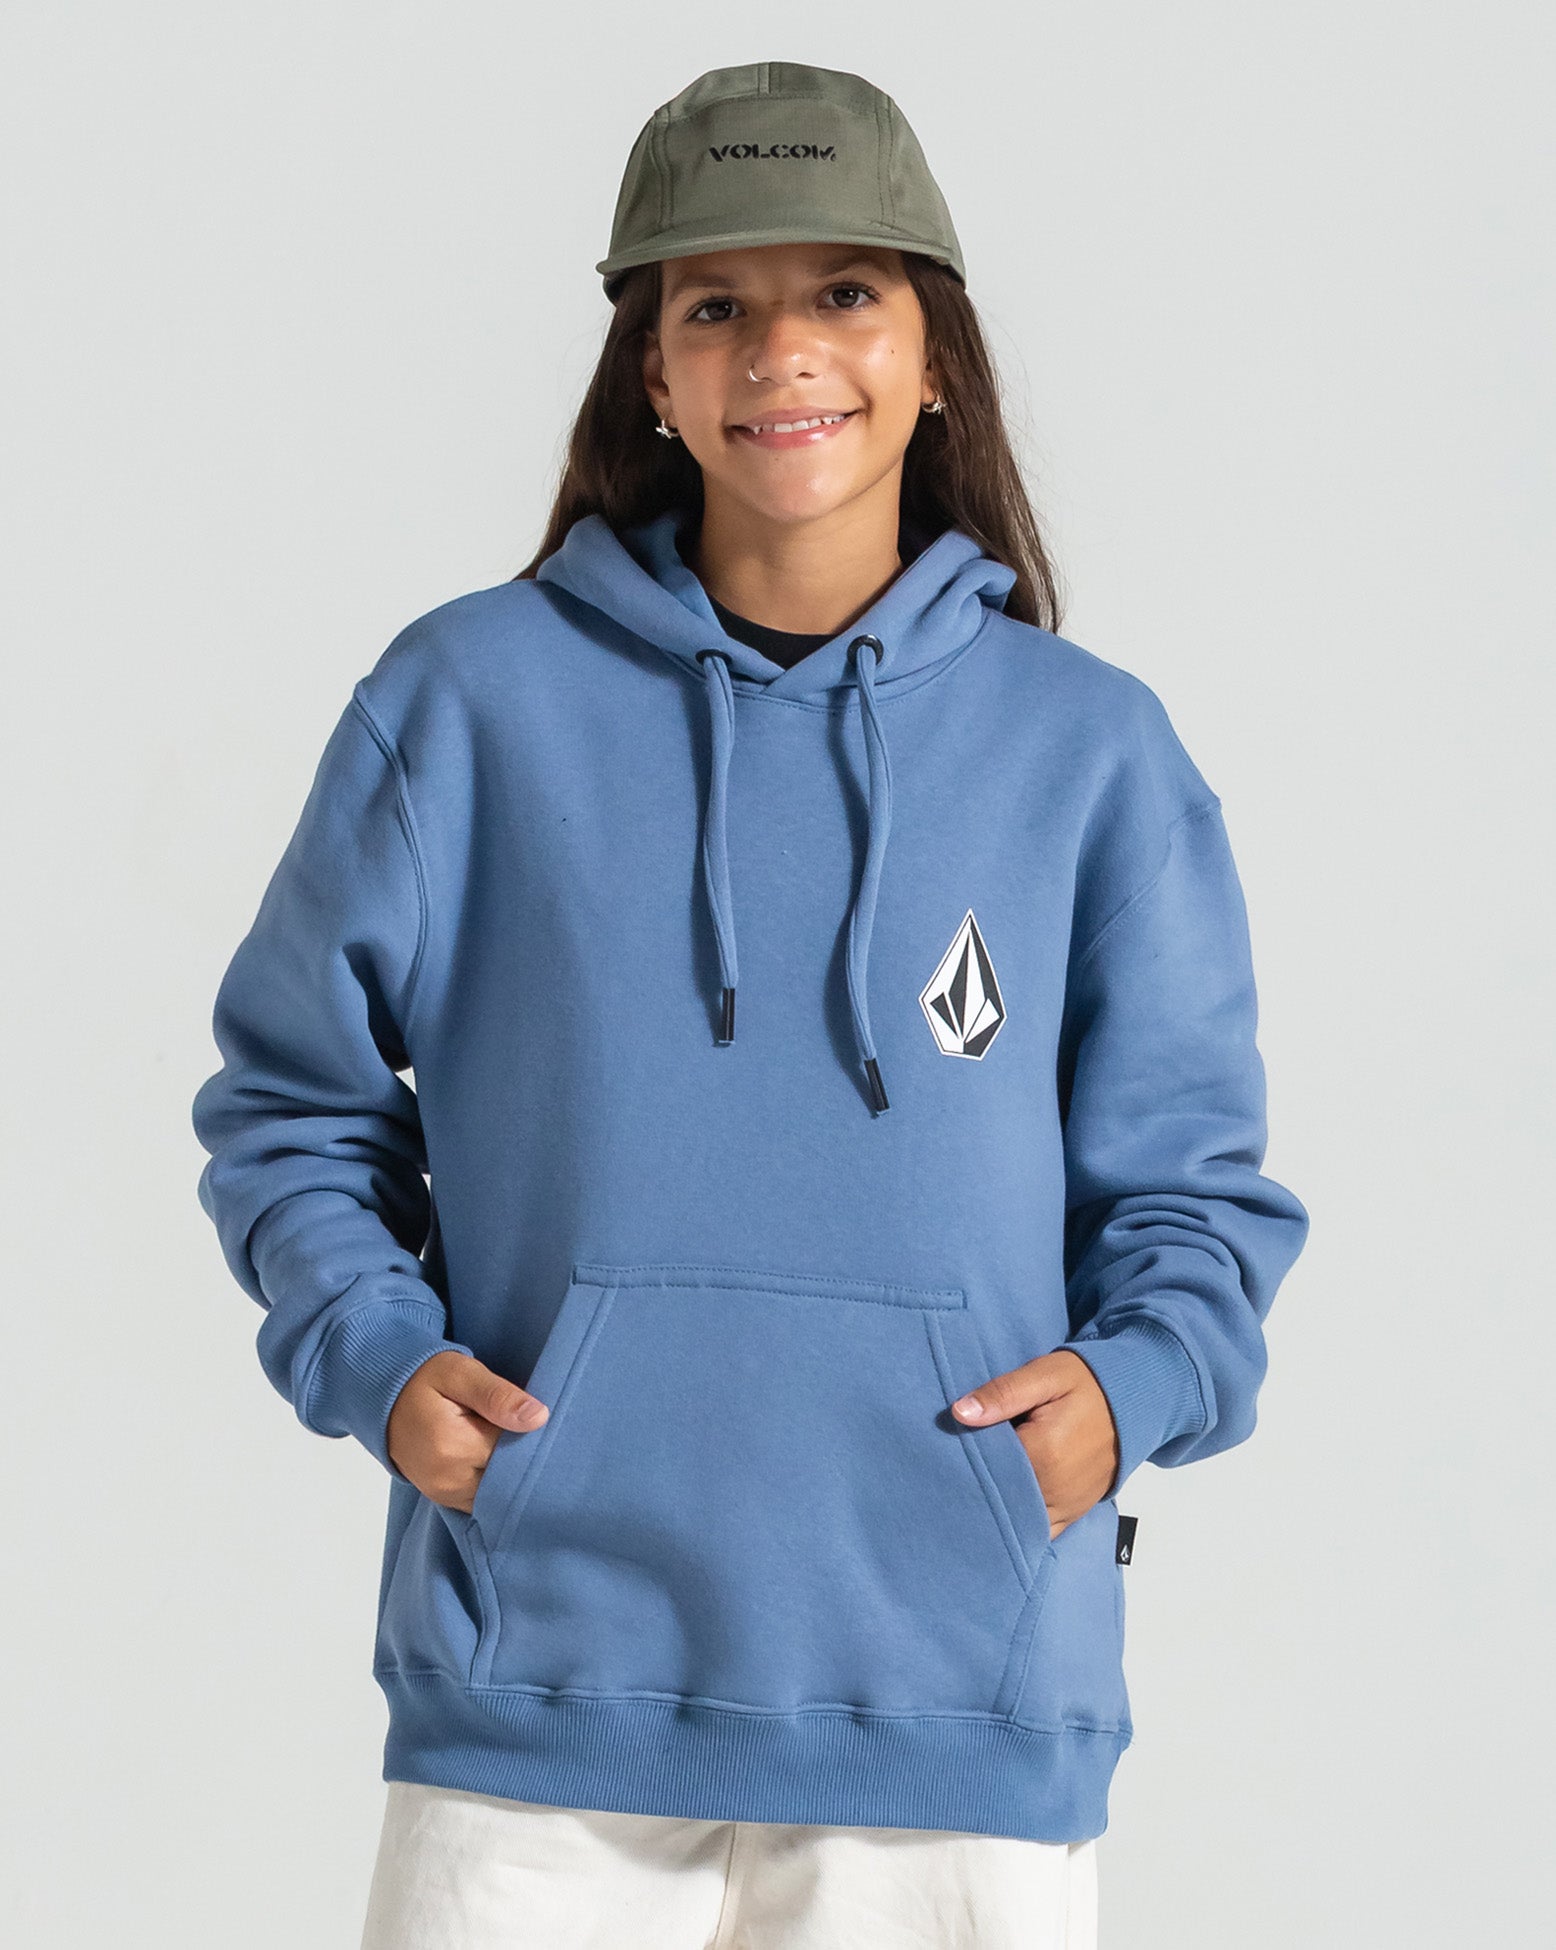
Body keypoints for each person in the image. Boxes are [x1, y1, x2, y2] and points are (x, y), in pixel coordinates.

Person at [191, 60, 1310, 1950]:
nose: (783, 350)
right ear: (651, 368)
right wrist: (375, 1356)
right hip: (537, 1682)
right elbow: (287, 1102)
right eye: (716, 304)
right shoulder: (467, 705)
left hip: (957, 1690)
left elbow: (1195, 1196)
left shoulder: (1093, 755)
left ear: (935, 354)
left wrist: (1126, 1399)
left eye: (843, 293)